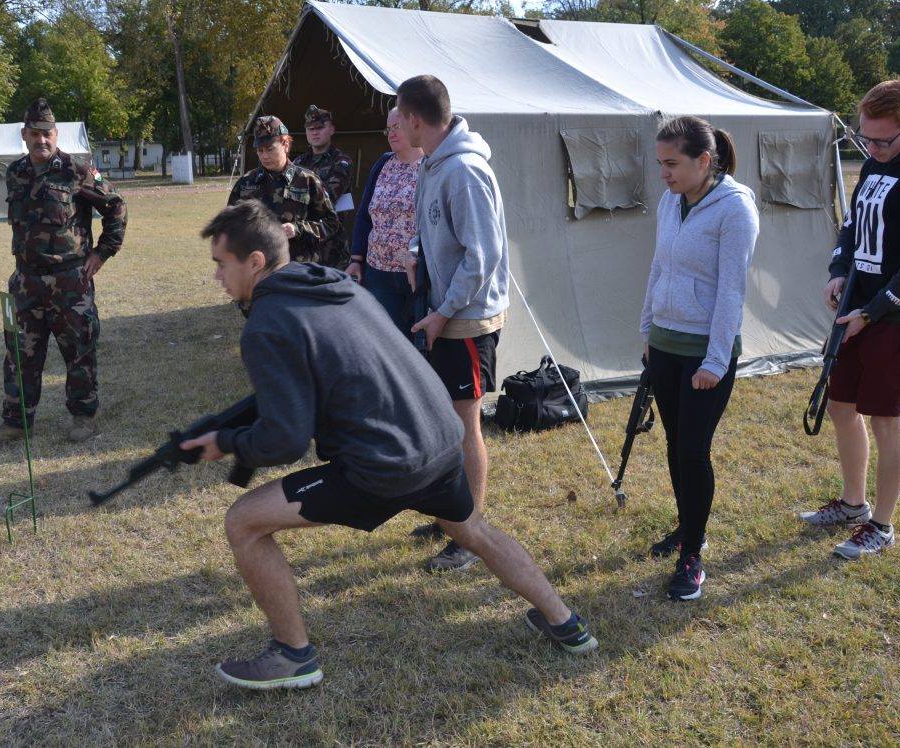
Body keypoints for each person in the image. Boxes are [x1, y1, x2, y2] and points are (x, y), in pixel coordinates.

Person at [184, 200, 598, 691]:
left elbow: (284, 440)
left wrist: (226, 442)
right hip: (441, 439)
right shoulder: (334, 284)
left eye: (220, 264)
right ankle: (566, 622)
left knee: (244, 521)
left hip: (385, 464)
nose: (216, 277)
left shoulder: (268, 323)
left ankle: (293, 656)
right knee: (471, 529)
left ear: (255, 262)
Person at [798, 75, 900, 559]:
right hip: (857, 308)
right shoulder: (874, 161)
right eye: (864, 136)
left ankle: (882, 526)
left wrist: (873, 312)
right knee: (841, 405)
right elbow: (851, 227)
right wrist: (838, 270)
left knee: (885, 419)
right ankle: (853, 505)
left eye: (881, 139)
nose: (870, 146)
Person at [640, 116, 759, 601]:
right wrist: (648, 330)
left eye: (672, 164)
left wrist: (715, 361)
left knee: (693, 450)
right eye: (660, 164)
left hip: (704, 355)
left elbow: (732, 290)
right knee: (674, 446)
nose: (663, 174)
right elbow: (658, 267)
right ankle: (689, 526)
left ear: (704, 161)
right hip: (666, 345)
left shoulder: (735, 210)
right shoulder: (672, 201)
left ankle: (692, 552)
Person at [395, 75, 510, 574]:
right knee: (444, 422)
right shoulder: (433, 164)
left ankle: (469, 534)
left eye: (399, 116)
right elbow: (443, 232)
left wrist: (443, 313)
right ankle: (451, 516)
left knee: (465, 425)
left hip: (466, 320)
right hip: (444, 311)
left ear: (416, 119)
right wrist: (419, 253)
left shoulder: (463, 170)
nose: (395, 124)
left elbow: (483, 255)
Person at [0, 98, 127, 447]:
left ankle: (84, 417)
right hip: (25, 282)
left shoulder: (78, 171)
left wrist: (102, 253)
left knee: (79, 351)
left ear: (56, 134)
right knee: (19, 353)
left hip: (70, 283)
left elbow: (116, 207)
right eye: (34, 133)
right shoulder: (16, 172)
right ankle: (15, 423)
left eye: (47, 133)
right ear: (24, 135)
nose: (41, 140)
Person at [228, 115, 347, 267]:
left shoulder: (307, 180)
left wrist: (297, 229)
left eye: (270, 149)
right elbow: (231, 224)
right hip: (259, 270)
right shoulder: (246, 183)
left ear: (285, 144)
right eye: (260, 150)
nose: (264, 156)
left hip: (297, 270)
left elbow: (331, 224)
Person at [346, 106, 425, 334]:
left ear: (413, 125)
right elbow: (364, 215)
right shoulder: (383, 163)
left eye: (396, 127)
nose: (391, 133)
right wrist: (356, 258)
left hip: (413, 275)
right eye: (387, 129)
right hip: (378, 272)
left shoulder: (429, 166)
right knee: (385, 339)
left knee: (415, 343)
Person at [292, 105, 354, 207]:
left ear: (332, 130)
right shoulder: (299, 161)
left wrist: (293, 195)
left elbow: (327, 197)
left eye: (320, 127)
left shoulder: (341, 161)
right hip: (299, 220)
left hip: (328, 222)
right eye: (310, 129)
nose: (315, 132)